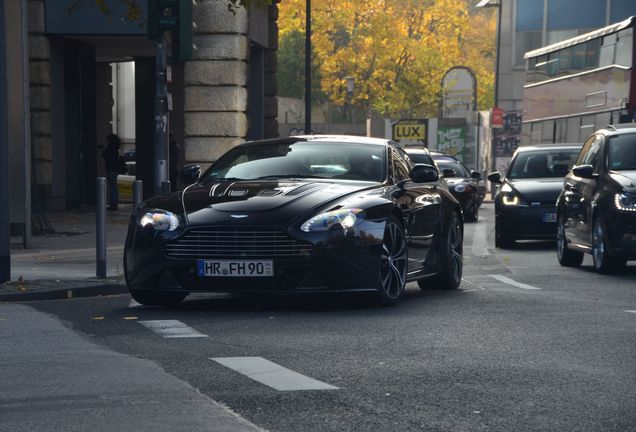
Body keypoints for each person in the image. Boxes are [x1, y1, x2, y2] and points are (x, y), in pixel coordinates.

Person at [102, 133, 122, 210]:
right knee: (114, 187)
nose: (106, 141)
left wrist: (104, 149)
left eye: (107, 140)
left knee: (112, 187)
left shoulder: (110, 148)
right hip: (114, 169)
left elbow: (104, 155)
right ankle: (114, 203)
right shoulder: (116, 148)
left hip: (111, 169)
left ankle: (113, 204)